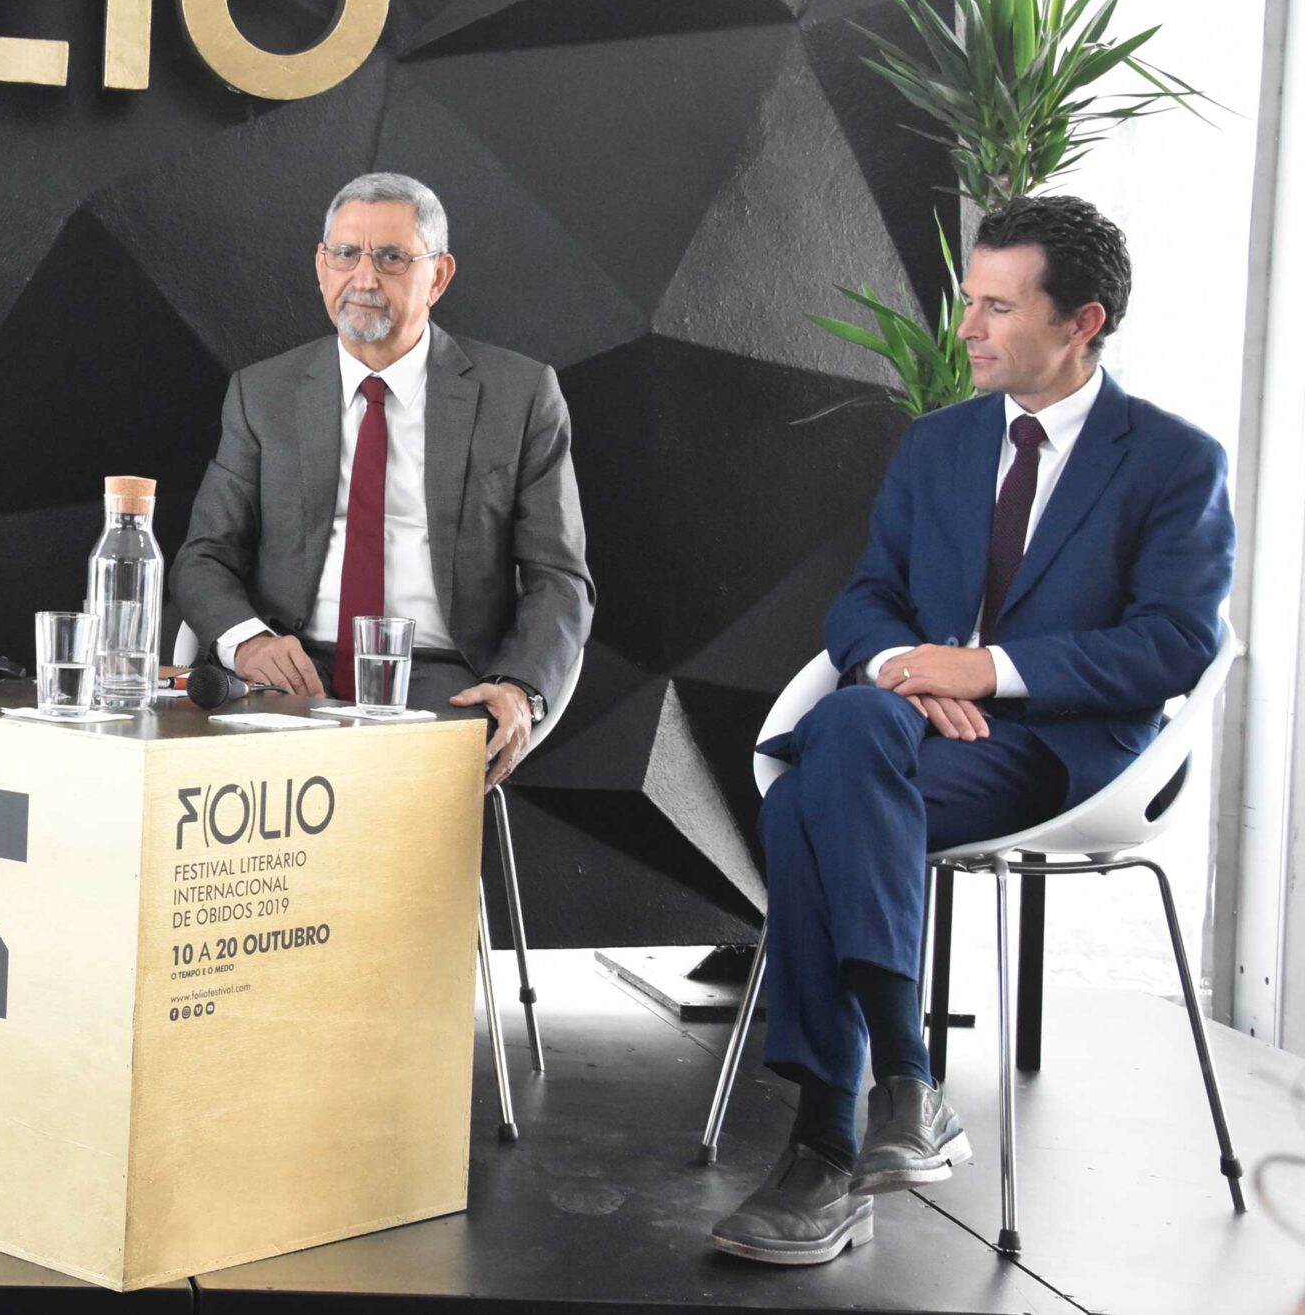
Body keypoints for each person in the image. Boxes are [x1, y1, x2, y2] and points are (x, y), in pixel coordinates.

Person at [709, 195, 1234, 1266]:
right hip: (906, 732)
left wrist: (988, 671)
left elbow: (1175, 643)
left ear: (1081, 322)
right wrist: (905, 670)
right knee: (852, 732)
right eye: (969, 301)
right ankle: (905, 1088)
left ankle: (823, 1149)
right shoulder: (938, 443)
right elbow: (867, 599)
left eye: (998, 307)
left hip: (1056, 751)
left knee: (811, 795)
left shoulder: (1174, 459)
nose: (967, 329)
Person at [170, 171, 593, 787]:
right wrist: (250, 642)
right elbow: (203, 557)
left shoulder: (520, 396)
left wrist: (519, 686)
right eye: (346, 254)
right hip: (291, 671)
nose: (363, 279)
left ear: (438, 276)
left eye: (392, 258)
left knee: (400, 818)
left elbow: (560, 577)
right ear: (322, 266)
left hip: (445, 679)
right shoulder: (262, 394)